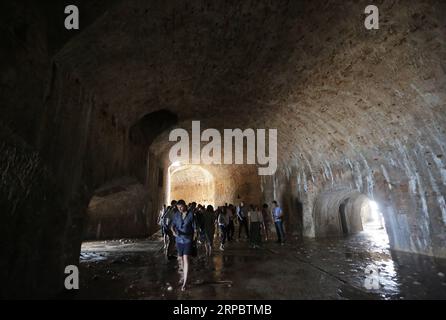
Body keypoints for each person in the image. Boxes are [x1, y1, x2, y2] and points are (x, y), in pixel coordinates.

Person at [171, 199, 196, 291]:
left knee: (186, 259)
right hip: (178, 240)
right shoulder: (176, 214)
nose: (179, 209)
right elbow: (172, 226)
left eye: (181, 207)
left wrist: (194, 240)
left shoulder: (191, 215)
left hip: (188, 240)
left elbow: (195, 229)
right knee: (181, 259)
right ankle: (184, 276)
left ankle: (185, 282)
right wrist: (173, 231)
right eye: (178, 207)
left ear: (185, 205)